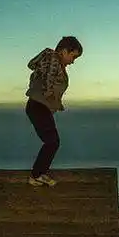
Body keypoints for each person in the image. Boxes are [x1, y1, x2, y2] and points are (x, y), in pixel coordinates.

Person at [25, 35, 82, 186]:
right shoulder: (52, 58)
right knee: (52, 141)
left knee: (52, 141)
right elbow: (48, 76)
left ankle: (40, 173)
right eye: (73, 56)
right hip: (38, 106)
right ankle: (36, 175)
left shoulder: (56, 63)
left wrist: (56, 103)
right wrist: (48, 91)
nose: (73, 61)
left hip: (39, 106)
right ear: (64, 51)